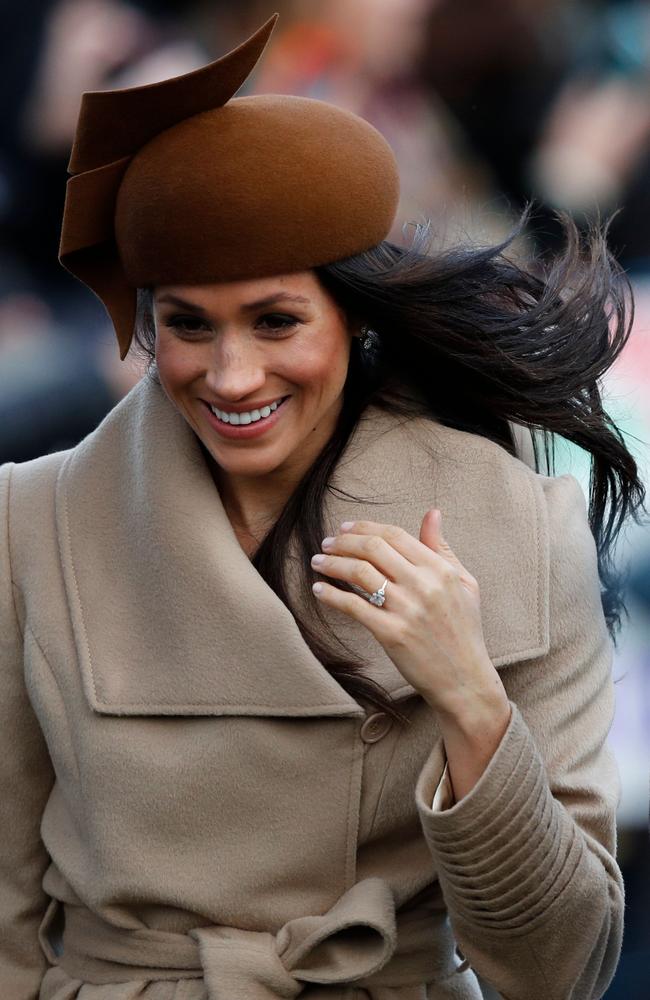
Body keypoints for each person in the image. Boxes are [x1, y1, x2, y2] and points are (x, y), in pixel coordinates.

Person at [0, 13, 645, 1000]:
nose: (230, 372)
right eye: (185, 325)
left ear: (353, 316)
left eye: (275, 320)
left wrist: (469, 699)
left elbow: (562, 968)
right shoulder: (30, 523)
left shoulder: (517, 523)